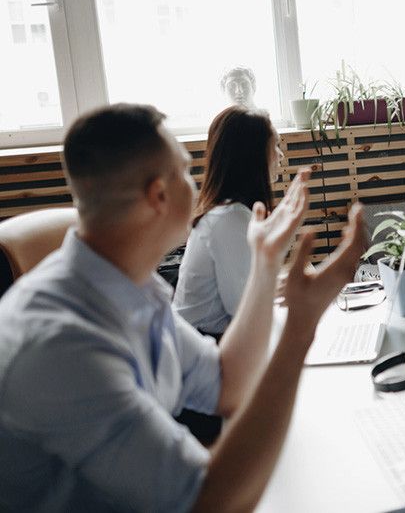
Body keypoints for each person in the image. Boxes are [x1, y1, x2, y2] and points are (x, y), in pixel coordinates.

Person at [0, 103, 366, 511]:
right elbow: (209, 502)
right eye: (186, 169)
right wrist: (300, 328)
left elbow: (229, 385)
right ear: (159, 194)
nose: (197, 185)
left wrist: (264, 265)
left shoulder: (134, 289)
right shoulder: (60, 347)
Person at [173, 106, 284, 337]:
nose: (280, 155)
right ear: (253, 155)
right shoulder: (229, 220)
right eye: (275, 145)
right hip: (205, 346)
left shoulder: (233, 213)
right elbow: (247, 312)